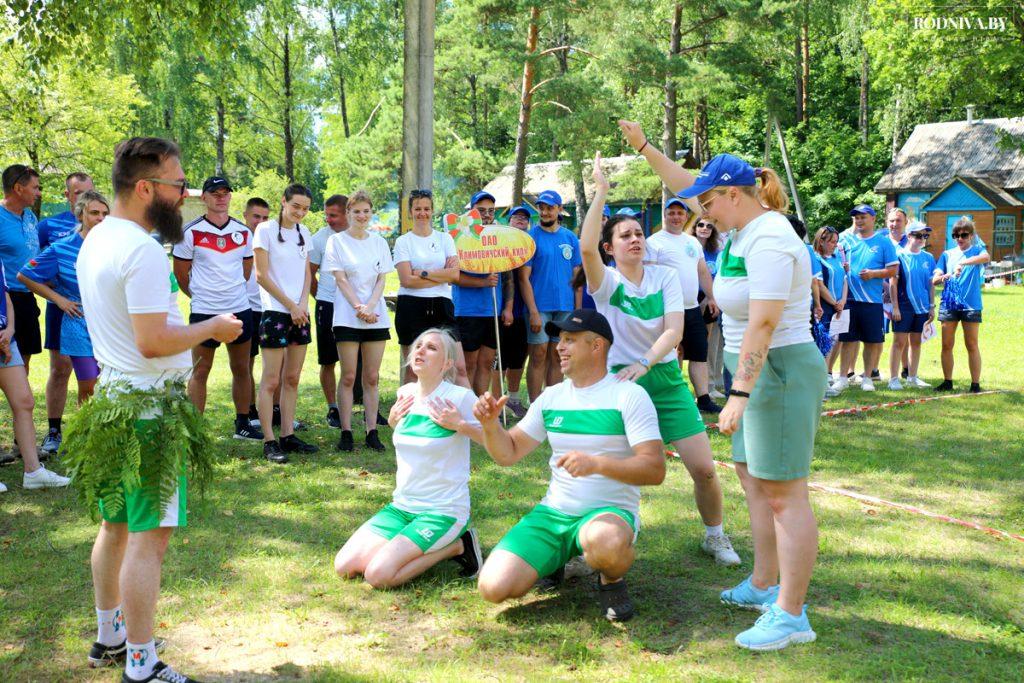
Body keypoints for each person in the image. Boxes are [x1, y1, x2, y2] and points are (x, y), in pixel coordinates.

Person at [622, 119, 826, 649]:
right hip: (755, 368)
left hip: (777, 368)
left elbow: (763, 322)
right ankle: (764, 583)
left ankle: (792, 614)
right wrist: (645, 146)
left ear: (732, 196)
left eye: (708, 204)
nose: (700, 214)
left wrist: (737, 393)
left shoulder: (772, 238)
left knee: (784, 493)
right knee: (754, 481)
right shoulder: (741, 225)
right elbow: (683, 182)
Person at [74, 137, 242, 682]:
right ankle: (142, 664)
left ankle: (111, 634)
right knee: (148, 538)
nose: (186, 195)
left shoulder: (97, 239)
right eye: (178, 184)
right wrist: (212, 328)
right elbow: (152, 340)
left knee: (115, 524)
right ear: (146, 188)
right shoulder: (140, 248)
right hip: (147, 412)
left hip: (114, 404)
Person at [582, 153, 739, 566]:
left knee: (704, 469)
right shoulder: (607, 282)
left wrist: (647, 363)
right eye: (625, 236)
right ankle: (590, 536)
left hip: (665, 379)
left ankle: (715, 536)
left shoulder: (665, 276)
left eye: (638, 233)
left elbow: (674, 331)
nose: (635, 239)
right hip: (619, 385)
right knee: (602, 470)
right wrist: (601, 192)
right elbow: (584, 246)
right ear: (609, 247)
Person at [474, 309, 664, 622]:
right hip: (553, 513)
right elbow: (507, 454)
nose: (560, 347)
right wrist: (491, 426)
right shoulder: (551, 397)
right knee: (493, 588)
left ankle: (611, 580)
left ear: (597, 346)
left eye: (570, 340)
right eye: (560, 340)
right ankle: (557, 558)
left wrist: (598, 464)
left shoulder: (629, 396)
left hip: (608, 513)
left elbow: (655, 469)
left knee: (605, 545)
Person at [334, 328, 485, 587]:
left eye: (431, 348)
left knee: (377, 575)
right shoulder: (405, 393)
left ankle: (459, 545)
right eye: (418, 346)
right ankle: (414, 543)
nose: (421, 351)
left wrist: (460, 424)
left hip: (443, 511)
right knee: (345, 566)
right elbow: (413, 439)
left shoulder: (459, 397)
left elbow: (495, 441)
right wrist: (393, 422)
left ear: (447, 363)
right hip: (402, 507)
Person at [172, 176, 262, 441]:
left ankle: (243, 424)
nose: (221, 197)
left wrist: (230, 294)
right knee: (200, 370)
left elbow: (246, 271)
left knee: (242, 368)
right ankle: (195, 429)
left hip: (239, 309)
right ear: (204, 198)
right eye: (215, 193)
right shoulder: (190, 232)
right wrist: (202, 296)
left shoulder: (243, 232)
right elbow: (181, 275)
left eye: (225, 193)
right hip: (204, 311)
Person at [18, 190, 110, 405]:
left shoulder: (113, 247)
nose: (101, 218)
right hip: (78, 322)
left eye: (105, 214)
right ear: (80, 215)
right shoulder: (62, 248)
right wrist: (58, 299)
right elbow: (25, 275)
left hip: (109, 323)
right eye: (95, 213)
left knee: (109, 384)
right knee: (89, 384)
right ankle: (85, 437)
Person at [322, 189, 393, 453]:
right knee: (349, 375)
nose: (361, 216)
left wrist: (371, 307)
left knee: (372, 377)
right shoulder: (336, 242)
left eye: (366, 211)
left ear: (371, 213)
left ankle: (371, 431)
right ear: (348, 214)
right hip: (346, 317)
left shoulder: (379, 243)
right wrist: (358, 307)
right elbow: (340, 279)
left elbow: (381, 279)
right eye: (356, 212)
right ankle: (346, 431)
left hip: (375, 317)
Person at [253, 184, 318, 463]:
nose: (300, 212)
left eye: (305, 208)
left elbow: (306, 274)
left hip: (300, 313)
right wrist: (290, 305)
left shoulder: (305, 233)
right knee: (271, 379)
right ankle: (269, 440)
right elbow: (261, 275)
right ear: (283, 202)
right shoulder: (264, 230)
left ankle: (288, 435)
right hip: (276, 313)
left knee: (292, 378)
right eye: (296, 206)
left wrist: (302, 304)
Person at [36, 172, 95, 457]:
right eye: (77, 193)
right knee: (61, 369)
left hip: (96, 311)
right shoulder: (49, 226)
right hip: (62, 309)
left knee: (93, 374)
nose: (82, 197)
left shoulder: (103, 224)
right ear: (67, 195)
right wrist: (59, 292)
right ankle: (54, 431)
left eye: (88, 192)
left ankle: (90, 429)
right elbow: (34, 266)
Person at [0, 257, 71, 493]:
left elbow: (6, 296)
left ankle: (33, 472)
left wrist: (9, 330)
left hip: (6, 341)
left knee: (24, 402)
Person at [647, 196, 721, 414]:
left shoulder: (692, 242)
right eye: (672, 213)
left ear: (686, 216)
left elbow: (702, 272)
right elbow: (649, 277)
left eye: (680, 213)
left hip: (691, 308)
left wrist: (712, 297)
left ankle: (704, 399)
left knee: (699, 353)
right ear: (666, 215)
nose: (676, 217)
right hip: (667, 309)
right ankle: (671, 395)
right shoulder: (654, 242)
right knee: (671, 353)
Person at [391, 189, 464, 386]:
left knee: (458, 367)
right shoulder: (403, 241)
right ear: (410, 212)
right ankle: (408, 416)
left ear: (432, 211)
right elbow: (406, 280)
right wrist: (441, 275)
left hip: (442, 305)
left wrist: (423, 273)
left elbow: (454, 275)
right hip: (411, 307)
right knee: (414, 371)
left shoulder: (444, 239)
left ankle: (468, 415)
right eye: (417, 209)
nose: (422, 213)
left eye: (426, 208)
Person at [519, 190, 582, 401]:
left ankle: (552, 403)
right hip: (540, 307)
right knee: (538, 355)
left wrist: (577, 312)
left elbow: (577, 278)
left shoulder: (570, 238)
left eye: (549, 208)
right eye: (541, 208)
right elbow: (523, 278)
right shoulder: (530, 238)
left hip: (565, 307)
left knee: (557, 355)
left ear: (559, 209)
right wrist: (534, 312)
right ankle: (536, 404)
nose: (544, 212)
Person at [829, 204, 897, 394]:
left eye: (863, 217)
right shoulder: (845, 239)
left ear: (873, 219)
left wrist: (874, 274)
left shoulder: (883, 242)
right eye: (856, 217)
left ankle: (867, 377)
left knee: (871, 340)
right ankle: (842, 377)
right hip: (848, 298)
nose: (859, 221)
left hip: (872, 300)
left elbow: (893, 270)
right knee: (847, 339)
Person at [453, 191, 512, 395]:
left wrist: (508, 307)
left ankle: (481, 410)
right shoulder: (460, 238)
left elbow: (508, 277)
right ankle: (465, 412)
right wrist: (483, 282)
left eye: (490, 211)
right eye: (481, 210)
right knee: (468, 364)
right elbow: (453, 276)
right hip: (468, 310)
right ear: (471, 212)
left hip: (492, 310)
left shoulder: (499, 237)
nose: (486, 215)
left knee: (486, 363)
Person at [932, 217, 990, 393]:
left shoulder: (977, 250)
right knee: (946, 344)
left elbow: (986, 257)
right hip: (949, 304)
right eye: (956, 235)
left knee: (971, 344)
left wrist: (962, 262)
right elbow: (935, 279)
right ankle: (947, 381)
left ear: (971, 235)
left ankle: (975, 385)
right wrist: (945, 276)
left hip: (971, 305)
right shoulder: (946, 254)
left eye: (964, 235)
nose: (960, 238)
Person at [0, 165, 42, 377]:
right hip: (4, 299)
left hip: (27, 297)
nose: (39, 192)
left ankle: (21, 407)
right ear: (18, 188)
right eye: (35, 187)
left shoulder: (30, 217)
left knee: (23, 360)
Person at [888, 223, 935, 389]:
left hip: (922, 307)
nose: (922, 239)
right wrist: (895, 307)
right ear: (908, 236)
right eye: (918, 235)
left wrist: (932, 306)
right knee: (899, 343)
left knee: (916, 342)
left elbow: (930, 284)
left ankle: (912, 377)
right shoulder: (899, 256)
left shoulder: (928, 257)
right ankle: (893, 379)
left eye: (924, 236)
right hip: (904, 305)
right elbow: (893, 283)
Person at [499, 205, 532, 418]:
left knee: (519, 357)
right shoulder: (501, 242)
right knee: (499, 357)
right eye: (516, 217)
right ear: (509, 222)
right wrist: (507, 308)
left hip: (525, 310)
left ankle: (513, 399)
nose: (520, 220)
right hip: (502, 309)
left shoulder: (531, 245)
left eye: (524, 218)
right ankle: (497, 400)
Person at [241, 197, 270, 427]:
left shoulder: (271, 237)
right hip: (247, 308)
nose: (260, 221)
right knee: (246, 363)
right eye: (256, 216)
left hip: (269, 307)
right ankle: (249, 410)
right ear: (245, 215)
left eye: (265, 217)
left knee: (274, 365)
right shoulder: (239, 238)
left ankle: (274, 409)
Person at [691, 215, 725, 397]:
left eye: (709, 226)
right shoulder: (687, 247)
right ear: (695, 227)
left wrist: (710, 297)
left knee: (707, 343)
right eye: (701, 225)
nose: (704, 228)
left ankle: (709, 385)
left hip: (709, 299)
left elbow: (718, 277)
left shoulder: (716, 253)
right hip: (687, 298)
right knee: (681, 346)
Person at [812, 227, 848, 379]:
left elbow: (845, 280)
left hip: (840, 305)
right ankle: (821, 377)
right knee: (824, 343)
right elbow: (819, 285)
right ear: (821, 241)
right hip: (826, 306)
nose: (835, 245)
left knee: (836, 340)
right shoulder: (816, 259)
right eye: (832, 242)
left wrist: (843, 301)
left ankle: (828, 373)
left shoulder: (837, 258)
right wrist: (834, 303)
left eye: (836, 242)